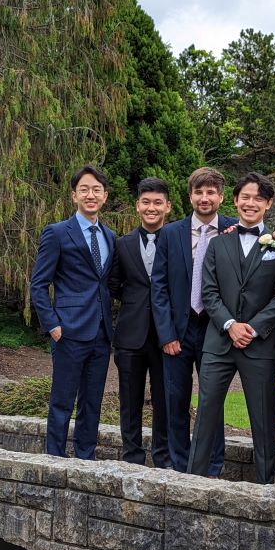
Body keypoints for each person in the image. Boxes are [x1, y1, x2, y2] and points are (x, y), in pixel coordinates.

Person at [151, 168, 275, 476]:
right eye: (246, 197)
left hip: (257, 343)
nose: (250, 203)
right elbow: (205, 290)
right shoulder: (214, 241)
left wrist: (253, 327)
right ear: (236, 200)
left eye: (258, 198)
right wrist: (230, 324)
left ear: (268, 203)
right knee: (201, 411)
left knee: (263, 417)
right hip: (211, 335)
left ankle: (264, 486)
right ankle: (194, 480)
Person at [30, 165, 116, 459]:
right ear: (74, 196)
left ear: (105, 196)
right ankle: (55, 457)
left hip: (101, 333)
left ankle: (85, 457)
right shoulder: (56, 233)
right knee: (62, 400)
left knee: (92, 402)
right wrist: (52, 325)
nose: (91, 195)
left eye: (96, 190)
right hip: (68, 331)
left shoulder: (110, 236)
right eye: (84, 190)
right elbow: (38, 284)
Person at [108, 177, 173, 468]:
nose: (151, 208)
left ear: (167, 206)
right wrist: (135, 301)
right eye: (146, 202)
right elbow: (113, 283)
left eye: (158, 202)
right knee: (129, 401)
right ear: (137, 206)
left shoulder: (177, 240)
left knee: (164, 401)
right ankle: (132, 457)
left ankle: (163, 457)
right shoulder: (122, 243)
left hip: (166, 337)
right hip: (130, 336)